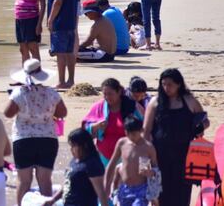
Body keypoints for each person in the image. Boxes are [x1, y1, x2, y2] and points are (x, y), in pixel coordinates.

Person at [143, 69, 209, 206]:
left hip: (184, 157)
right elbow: (146, 132)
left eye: (170, 84)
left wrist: (201, 127)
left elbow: (205, 120)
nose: (166, 88)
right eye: (164, 84)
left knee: (181, 196)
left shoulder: (190, 101)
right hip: (159, 157)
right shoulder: (155, 103)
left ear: (179, 84)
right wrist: (144, 162)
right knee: (160, 197)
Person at [4, 59, 66, 205]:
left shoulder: (19, 93)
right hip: (47, 138)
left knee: (23, 180)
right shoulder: (51, 93)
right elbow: (63, 112)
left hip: (23, 139)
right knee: (45, 180)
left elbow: (8, 113)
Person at [82, 78, 143, 165]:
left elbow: (145, 127)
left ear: (119, 92)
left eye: (110, 94)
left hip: (129, 157)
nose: (107, 97)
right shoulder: (99, 106)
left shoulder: (132, 107)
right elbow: (84, 128)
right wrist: (96, 126)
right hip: (104, 157)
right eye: (105, 94)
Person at [43, 128, 110, 206]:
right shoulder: (75, 160)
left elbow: (101, 192)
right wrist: (53, 199)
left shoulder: (92, 164)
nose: (71, 149)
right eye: (71, 146)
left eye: (74, 146)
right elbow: (67, 184)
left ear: (85, 145)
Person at [104, 117, 159, 206]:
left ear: (141, 130)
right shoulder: (122, 143)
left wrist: (151, 172)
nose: (130, 136)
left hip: (141, 190)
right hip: (124, 189)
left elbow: (156, 168)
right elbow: (112, 163)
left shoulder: (148, 148)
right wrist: (109, 186)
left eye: (133, 134)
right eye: (127, 133)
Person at [47, 0, 80, 88]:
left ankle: (61, 81)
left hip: (60, 22)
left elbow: (58, 2)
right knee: (69, 52)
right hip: (70, 21)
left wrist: (50, 20)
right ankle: (70, 80)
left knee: (60, 53)